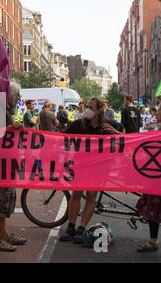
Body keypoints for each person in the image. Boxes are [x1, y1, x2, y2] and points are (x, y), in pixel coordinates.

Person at [59, 97, 125, 244]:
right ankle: (70, 227)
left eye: (91, 107)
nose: (87, 109)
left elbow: (125, 139)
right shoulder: (78, 124)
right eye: (87, 106)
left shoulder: (109, 125)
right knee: (76, 195)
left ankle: (81, 228)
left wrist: (115, 133)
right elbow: (60, 137)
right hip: (81, 165)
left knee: (91, 197)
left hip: (100, 168)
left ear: (100, 110)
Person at [0, 82, 27, 252]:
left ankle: (4, 233)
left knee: (6, 198)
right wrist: (12, 128)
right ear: (10, 95)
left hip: (8, 159)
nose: (19, 98)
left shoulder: (8, 110)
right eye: (17, 94)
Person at [136, 101, 161, 258]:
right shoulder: (158, 130)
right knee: (153, 208)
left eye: (159, 110)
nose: (156, 112)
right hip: (157, 178)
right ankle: (152, 241)